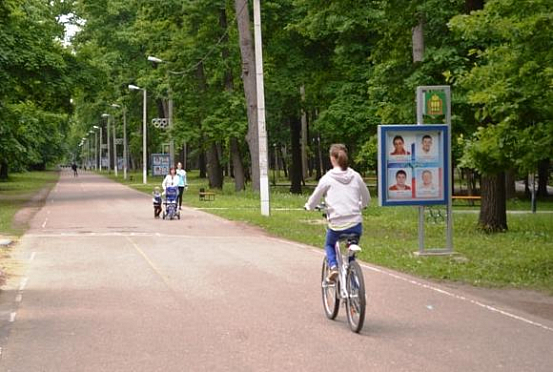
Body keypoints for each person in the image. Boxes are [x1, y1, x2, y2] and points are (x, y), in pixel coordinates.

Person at [304, 144, 371, 282]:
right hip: (355, 224)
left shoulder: (328, 178)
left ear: (332, 159)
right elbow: (367, 198)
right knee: (351, 249)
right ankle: (353, 280)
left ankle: (333, 267)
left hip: (337, 224)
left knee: (329, 244)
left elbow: (315, 198)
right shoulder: (356, 176)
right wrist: (361, 206)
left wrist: (309, 207)